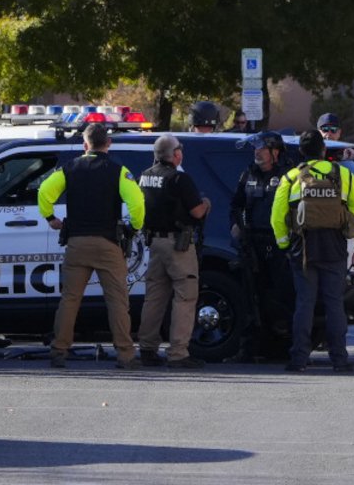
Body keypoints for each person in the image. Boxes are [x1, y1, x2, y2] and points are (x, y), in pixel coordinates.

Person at [38, 122, 145, 369]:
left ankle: (59, 351)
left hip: (76, 243)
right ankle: (126, 355)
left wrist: (50, 218)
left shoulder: (69, 168)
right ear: (109, 144)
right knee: (117, 300)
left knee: (70, 299)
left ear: (85, 145)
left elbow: (44, 191)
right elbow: (137, 203)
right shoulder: (118, 171)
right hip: (108, 243)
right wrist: (133, 227)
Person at [272, 128, 354, 373]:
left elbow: (277, 218)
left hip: (302, 248)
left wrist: (285, 245)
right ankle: (340, 359)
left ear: (302, 152)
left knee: (304, 303)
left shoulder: (291, 177)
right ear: (324, 150)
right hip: (334, 247)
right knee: (335, 303)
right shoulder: (344, 175)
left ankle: (299, 359)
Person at [136, 134, 211, 368]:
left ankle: (147, 348)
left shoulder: (145, 177)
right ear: (175, 154)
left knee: (155, 297)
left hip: (154, 244)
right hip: (177, 245)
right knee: (185, 296)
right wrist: (207, 203)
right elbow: (197, 212)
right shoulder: (179, 179)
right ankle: (178, 353)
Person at [229, 130, 293, 361]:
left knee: (279, 298)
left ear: (275, 152)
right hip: (252, 244)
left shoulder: (289, 175)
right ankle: (248, 350)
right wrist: (236, 226)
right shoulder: (249, 174)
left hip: (279, 246)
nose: (257, 152)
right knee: (251, 298)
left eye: (262, 148)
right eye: (255, 148)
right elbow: (236, 205)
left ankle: (282, 349)